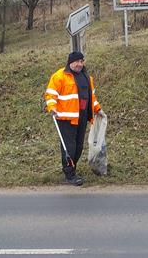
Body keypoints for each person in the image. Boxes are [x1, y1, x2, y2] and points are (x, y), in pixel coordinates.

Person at [45, 51, 104, 186]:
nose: (79, 64)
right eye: (77, 61)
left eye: (81, 61)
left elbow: (91, 98)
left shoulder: (87, 78)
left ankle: (72, 169)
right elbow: (50, 94)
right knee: (69, 147)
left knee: (78, 147)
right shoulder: (59, 76)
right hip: (65, 117)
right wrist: (52, 107)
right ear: (70, 62)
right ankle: (69, 174)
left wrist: (97, 109)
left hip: (82, 117)